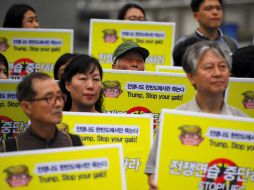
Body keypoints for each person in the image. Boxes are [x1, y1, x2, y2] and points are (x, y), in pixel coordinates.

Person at [145, 41, 247, 190]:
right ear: (191, 77)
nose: (217, 73)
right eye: (209, 67)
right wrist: (157, 181)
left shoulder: (244, 123)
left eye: (222, 67)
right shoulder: (174, 120)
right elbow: (153, 171)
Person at [0, 72, 82, 152]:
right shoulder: (10, 149)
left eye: (59, 97)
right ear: (27, 107)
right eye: (48, 98)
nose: (58, 104)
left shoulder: (74, 143)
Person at [173, 0, 238, 58]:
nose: (215, 12)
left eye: (218, 8)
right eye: (208, 9)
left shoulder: (230, 43)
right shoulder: (183, 45)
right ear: (196, 16)